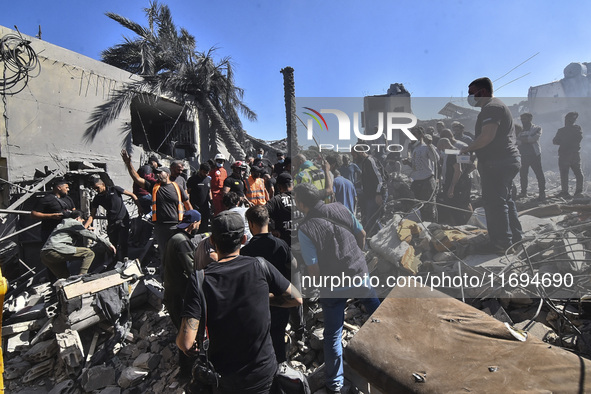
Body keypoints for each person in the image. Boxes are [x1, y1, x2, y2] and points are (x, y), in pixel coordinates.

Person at [176, 211, 302, 394]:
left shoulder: (200, 279)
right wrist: (265, 300)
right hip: (264, 373)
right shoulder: (260, 265)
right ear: (243, 239)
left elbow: (186, 343)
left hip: (226, 380)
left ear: (212, 242)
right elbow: (296, 298)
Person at [294, 183, 380, 394]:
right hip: (359, 273)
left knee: (333, 334)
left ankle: (335, 384)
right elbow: (362, 233)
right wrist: (357, 256)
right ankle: (393, 355)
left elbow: (313, 268)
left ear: (301, 203)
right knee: (378, 316)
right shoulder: (341, 207)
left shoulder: (305, 229)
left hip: (333, 284)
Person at [461, 77, 523, 252]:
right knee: (505, 200)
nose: (469, 97)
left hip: (497, 162)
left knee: (495, 203)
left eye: (471, 93)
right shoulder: (495, 107)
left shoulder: (492, 108)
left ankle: (501, 243)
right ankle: (515, 237)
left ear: (483, 92)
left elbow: (487, 136)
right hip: (505, 160)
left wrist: (467, 149)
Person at [241, 206, 293, 363]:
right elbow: (293, 266)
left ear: (251, 224)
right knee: (278, 336)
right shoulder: (281, 244)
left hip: (258, 304)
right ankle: (281, 366)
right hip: (281, 300)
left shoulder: (246, 251)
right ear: (268, 221)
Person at [121, 149, 192, 263]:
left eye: (160, 172)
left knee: (179, 253)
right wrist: (128, 164)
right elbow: (137, 179)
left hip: (177, 226)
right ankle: (165, 276)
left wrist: (192, 220)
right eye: (157, 172)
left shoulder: (177, 187)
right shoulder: (154, 186)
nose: (157, 174)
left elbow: (188, 205)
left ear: (167, 174)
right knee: (165, 255)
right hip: (161, 227)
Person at [163, 210, 203, 379]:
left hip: (172, 292)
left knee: (182, 330)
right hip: (179, 295)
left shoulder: (175, 238)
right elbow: (193, 269)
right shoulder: (182, 243)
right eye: (199, 223)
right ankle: (188, 373)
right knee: (187, 331)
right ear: (194, 223)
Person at [40, 211, 116, 279]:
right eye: (82, 222)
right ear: (78, 218)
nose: (82, 224)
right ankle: (81, 276)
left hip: (45, 255)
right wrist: (108, 244)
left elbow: (72, 233)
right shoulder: (73, 222)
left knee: (65, 279)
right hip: (56, 250)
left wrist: (84, 229)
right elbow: (87, 234)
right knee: (89, 253)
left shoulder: (63, 224)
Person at [84, 178, 137, 262]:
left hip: (123, 219)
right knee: (112, 243)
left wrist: (140, 207)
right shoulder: (97, 198)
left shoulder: (115, 189)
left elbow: (132, 194)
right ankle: (113, 260)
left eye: (97, 188)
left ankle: (125, 258)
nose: (96, 190)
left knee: (123, 241)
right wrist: (84, 227)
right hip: (112, 222)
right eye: (94, 189)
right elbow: (92, 216)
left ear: (103, 184)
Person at [403, 127, 439, 223]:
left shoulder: (426, 147)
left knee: (429, 208)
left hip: (426, 181)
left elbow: (436, 159)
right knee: (420, 207)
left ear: (421, 135)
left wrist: (430, 145)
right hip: (417, 181)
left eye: (414, 134)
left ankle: (432, 227)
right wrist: (408, 163)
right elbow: (417, 167)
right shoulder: (415, 149)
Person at [350, 149, 387, 234]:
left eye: (354, 155)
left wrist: (378, 194)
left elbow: (380, 179)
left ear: (360, 152)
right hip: (371, 195)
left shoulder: (370, 160)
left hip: (376, 195)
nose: (354, 158)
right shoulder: (364, 162)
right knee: (370, 220)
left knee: (373, 221)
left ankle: (378, 241)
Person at [31, 178, 76, 243]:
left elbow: (74, 210)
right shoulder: (46, 199)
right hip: (51, 232)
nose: (68, 190)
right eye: (66, 188)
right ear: (59, 187)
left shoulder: (68, 199)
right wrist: (52, 216)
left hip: (66, 231)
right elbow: (33, 214)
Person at [553, 111, 584, 197]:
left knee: (565, 173)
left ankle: (565, 191)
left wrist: (563, 141)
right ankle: (578, 191)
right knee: (577, 172)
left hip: (565, 154)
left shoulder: (562, 131)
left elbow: (555, 141)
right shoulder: (577, 129)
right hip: (573, 153)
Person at [516, 112, 546, 200]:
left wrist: (522, 140)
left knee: (539, 174)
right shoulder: (520, 130)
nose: (522, 121)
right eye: (521, 119)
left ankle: (542, 193)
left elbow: (532, 139)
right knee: (523, 174)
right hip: (523, 155)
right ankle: (523, 192)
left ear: (530, 119)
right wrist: (524, 140)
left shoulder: (537, 128)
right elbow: (517, 141)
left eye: (524, 119)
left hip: (534, 155)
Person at [187, 162, 212, 233]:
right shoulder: (192, 180)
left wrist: (212, 202)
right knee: (195, 228)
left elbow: (209, 191)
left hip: (205, 208)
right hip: (195, 208)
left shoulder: (207, 179)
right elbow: (188, 193)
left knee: (205, 227)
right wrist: (189, 207)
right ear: (200, 170)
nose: (206, 174)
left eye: (207, 173)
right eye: (204, 172)